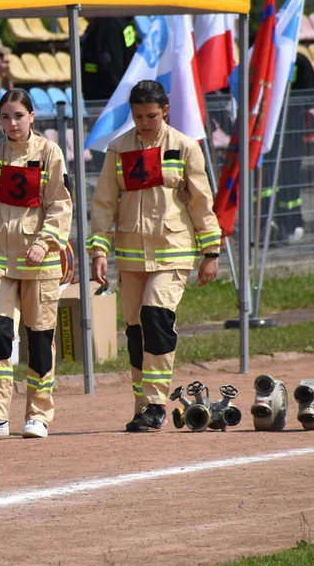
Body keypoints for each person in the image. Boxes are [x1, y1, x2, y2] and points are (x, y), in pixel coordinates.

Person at [87, 80, 221, 433]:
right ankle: (142, 407)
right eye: (137, 116)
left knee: (155, 315)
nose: (144, 123)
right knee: (136, 331)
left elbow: (201, 202)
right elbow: (103, 204)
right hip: (131, 256)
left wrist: (211, 252)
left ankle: (158, 403)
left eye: (150, 115)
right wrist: (98, 250)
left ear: (166, 111)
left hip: (173, 251)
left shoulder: (185, 147)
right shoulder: (118, 149)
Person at [0, 90, 73, 439]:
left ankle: (38, 415)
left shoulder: (49, 153)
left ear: (31, 117)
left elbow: (60, 204)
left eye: (18, 116)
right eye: (6, 117)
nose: (12, 124)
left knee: (39, 339)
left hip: (39, 261)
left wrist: (45, 242)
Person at [80, 17, 138, 101]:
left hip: (105, 95)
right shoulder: (119, 21)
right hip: (119, 90)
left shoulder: (107, 25)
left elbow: (111, 62)